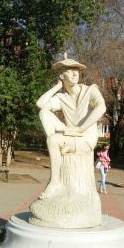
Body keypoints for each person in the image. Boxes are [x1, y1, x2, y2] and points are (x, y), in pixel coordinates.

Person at [36, 53, 106, 199]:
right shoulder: (62, 97)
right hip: (71, 134)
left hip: (85, 139)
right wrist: (57, 87)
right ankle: (59, 152)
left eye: (77, 70)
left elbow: (101, 108)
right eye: (70, 70)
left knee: (53, 140)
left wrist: (81, 129)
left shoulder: (90, 90)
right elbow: (41, 104)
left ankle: (55, 181)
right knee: (43, 113)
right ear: (62, 76)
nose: (75, 73)